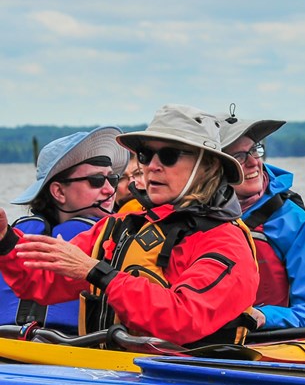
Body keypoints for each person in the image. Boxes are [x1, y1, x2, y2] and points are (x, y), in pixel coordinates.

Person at [0, 105, 260, 348]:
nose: (152, 167)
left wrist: (99, 274)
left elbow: (183, 318)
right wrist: (5, 239)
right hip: (108, 374)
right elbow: (39, 280)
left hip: (186, 382)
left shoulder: (227, 242)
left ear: (207, 166)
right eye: (146, 156)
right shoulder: (117, 228)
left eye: (169, 156)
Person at [0, 127, 128, 334]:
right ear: (58, 191)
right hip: (8, 343)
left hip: (77, 346)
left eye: (112, 179)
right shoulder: (10, 235)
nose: (109, 189)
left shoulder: (123, 237)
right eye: (96, 180)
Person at [219, 109, 305, 330]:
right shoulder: (195, 216)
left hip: (270, 340)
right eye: (238, 157)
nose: (252, 162)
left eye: (254, 150)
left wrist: (263, 316)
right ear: (214, 168)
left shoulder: (295, 223)